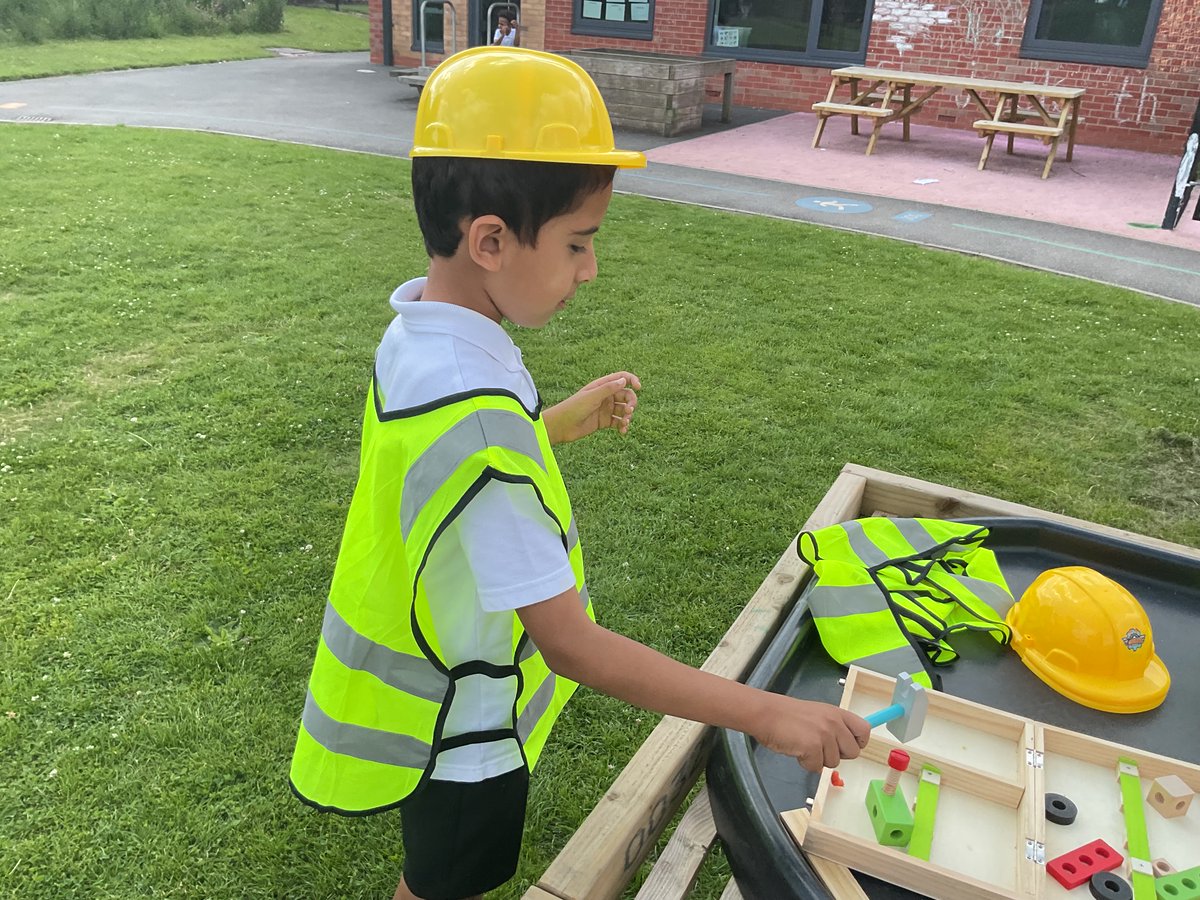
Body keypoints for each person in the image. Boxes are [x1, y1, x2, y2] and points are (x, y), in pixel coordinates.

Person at [288, 46, 871, 900]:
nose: (590, 269)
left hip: (428, 704)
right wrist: (768, 713)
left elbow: (455, 461)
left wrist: (557, 421)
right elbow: (571, 646)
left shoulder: (419, 334)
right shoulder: (479, 410)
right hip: (463, 734)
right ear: (490, 239)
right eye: (577, 244)